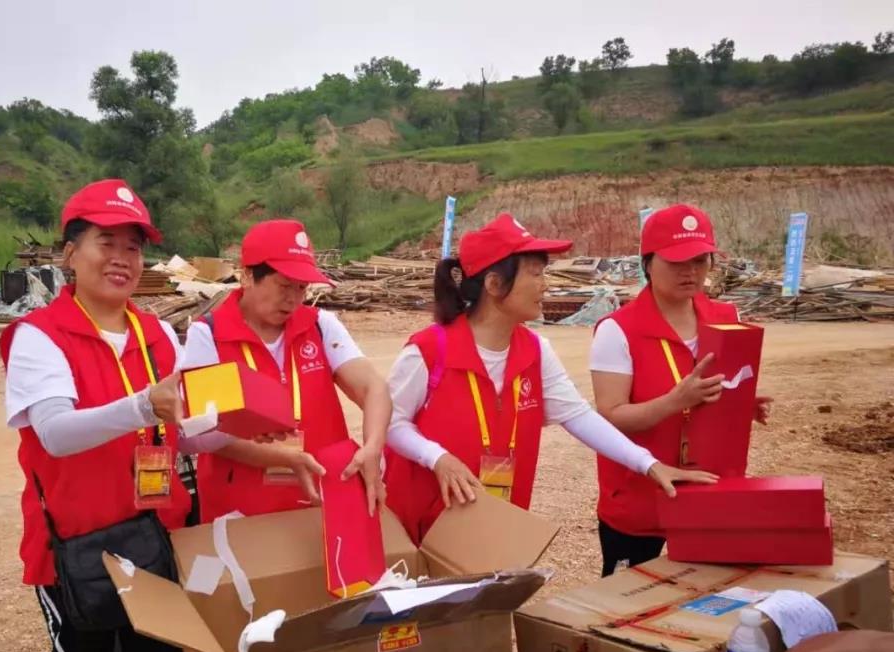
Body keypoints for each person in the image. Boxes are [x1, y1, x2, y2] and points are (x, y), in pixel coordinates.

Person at [1, 179, 199, 652]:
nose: (122, 258)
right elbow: (56, 433)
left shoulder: (157, 334)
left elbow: (185, 428)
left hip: (153, 535)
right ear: (69, 253)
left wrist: (260, 436)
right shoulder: (39, 336)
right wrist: (144, 404)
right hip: (74, 547)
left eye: (134, 247)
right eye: (105, 243)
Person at [384, 213, 714, 545]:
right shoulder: (429, 351)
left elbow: (579, 417)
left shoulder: (535, 351)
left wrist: (649, 464)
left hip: (490, 525)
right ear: (494, 284)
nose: (546, 285)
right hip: (419, 530)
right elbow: (390, 423)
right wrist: (438, 458)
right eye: (535, 274)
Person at [590, 203, 771, 576]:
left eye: (700, 260)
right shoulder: (617, 330)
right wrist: (676, 401)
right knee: (631, 599)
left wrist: (739, 404)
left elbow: (720, 390)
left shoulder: (726, 319)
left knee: (709, 592)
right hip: (640, 498)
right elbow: (610, 418)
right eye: (676, 261)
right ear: (647, 263)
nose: (690, 272)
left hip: (710, 489)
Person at [183, 219, 392, 521]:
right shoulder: (211, 335)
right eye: (284, 285)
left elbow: (373, 388)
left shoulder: (319, 326)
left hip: (319, 504)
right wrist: (277, 456)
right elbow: (200, 430)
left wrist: (373, 446)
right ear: (247, 276)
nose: (293, 299)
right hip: (242, 513)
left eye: (302, 287)